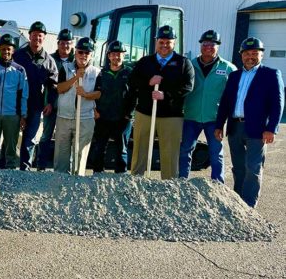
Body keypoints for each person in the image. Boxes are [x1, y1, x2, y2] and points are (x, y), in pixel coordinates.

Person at [214, 37, 284, 207]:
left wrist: (271, 128)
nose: (250, 56)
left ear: (261, 55)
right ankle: (238, 202)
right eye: (247, 53)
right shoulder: (234, 75)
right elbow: (225, 102)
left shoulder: (271, 74)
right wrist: (219, 125)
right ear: (241, 55)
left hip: (258, 130)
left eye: (255, 53)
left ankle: (249, 205)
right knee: (238, 168)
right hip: (235, 127)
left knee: (253, 167)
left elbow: (278, 103)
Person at [129, 25, 195, 179]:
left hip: (171, 116)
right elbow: (132, 81)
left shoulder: (183, 63)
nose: (164, 45)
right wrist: (149, 82)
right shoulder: (145, 61)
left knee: (170, 153)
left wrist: (166, 95)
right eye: (161, 42)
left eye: (168, 42)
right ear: (156, 42)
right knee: (139, 150)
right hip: (145, 113)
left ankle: (169, 185)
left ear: (174, 43)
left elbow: (187, 87)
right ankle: (135, 182)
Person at [179, 30, 236, 182]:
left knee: (215, 152)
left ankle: (218, 184)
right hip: (191, 116)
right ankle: (181, 181)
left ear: (218, 46)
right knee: (185, 150)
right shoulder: (189, 65)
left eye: (212, 44)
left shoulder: (228, 68)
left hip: (214, 119)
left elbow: (234, 95)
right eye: (205, 44)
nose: (208, 47)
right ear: (200, 46)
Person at [13, 21, 58, 170]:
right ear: (29, 36)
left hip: (35, 106)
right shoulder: (18, 55)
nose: (37, 38)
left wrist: (50, 102)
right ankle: (6, 169)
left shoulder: (49, 61)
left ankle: (25, 170)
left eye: (40, 36)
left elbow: (53, 85)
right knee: (11, 138)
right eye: (34, 35)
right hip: (15, 105)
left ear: (44, 38)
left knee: (29, 140)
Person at [54, 37, 101, 174]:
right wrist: (75, 78)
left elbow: (98, 93)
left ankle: (77, 183)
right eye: (81, 52)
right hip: (64, 117)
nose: (83, 55)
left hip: (85, 118)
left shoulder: (96, 72)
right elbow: (59, 88)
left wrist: (86, 94)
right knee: (61, 155)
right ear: (75, 53)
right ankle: (59, 183)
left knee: (80, 156)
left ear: (91, 55)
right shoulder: (65, 68)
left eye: (87, 53)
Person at [0, 34, 28, 169]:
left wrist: (23, 115)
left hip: (12, 115)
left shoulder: (20, 70)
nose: (6, 52)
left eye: (9, 49)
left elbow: (23, 94)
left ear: (13, 50)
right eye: (3, 49)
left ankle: (10, 171)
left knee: (11, 147)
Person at [91, 40, 135, 173]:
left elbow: (135, 95)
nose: (116, 57)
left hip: (122, 118)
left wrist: (129, 114)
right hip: (103, 117)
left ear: (124, 55)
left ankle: (121, 176)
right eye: (113, 54)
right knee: (99, 147)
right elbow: (94, 93)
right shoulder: (101, 74)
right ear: (108, 56)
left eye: (119, 54)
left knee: (121, 149)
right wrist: (95, 110)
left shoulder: (130, 73)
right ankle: (97, 174)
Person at [37, 28, 75, 171]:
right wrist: (47, 103)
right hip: (51, 105)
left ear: (72, 45)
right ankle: (41, 166)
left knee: (66, 138)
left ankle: (65, 167)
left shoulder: (76, 61)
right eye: (62, 43)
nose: (65, 46)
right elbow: (45, 85)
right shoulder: (49, 59)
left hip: (69, 107)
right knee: (46, 136)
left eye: (68, 43)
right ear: (58, 43)